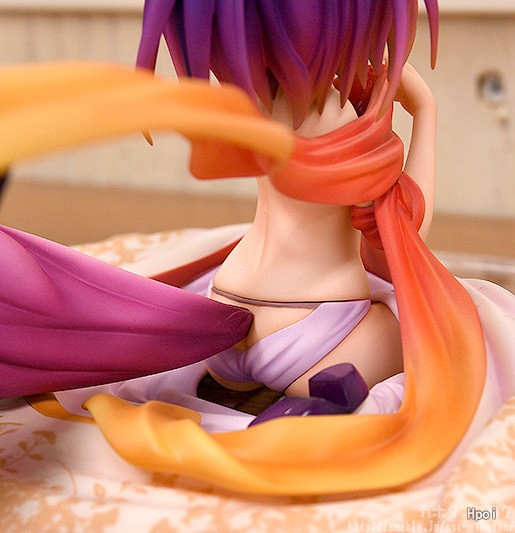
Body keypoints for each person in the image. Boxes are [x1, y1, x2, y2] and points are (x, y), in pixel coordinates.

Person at [1, 0, 514, 496]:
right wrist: (424, 110)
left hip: (227, 315)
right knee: (436, 329)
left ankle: (239, 392)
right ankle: (317, 416)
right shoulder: (345, 117)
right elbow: (407, 227)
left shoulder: (253, 101)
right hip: (315, 334)